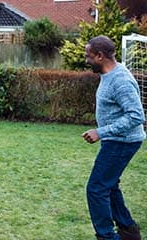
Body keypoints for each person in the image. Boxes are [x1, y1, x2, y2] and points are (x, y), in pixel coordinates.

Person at [82, 35, 145, 240]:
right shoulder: (109, 74)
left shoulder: (121, 80)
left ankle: (107, 236)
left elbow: (136, 116)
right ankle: (128, 231)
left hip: (122, 141)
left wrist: (101, 132)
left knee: (96, 188)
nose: (86, 60)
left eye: (88, 56)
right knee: (109, 185)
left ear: (100, 56)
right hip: (116, 140)